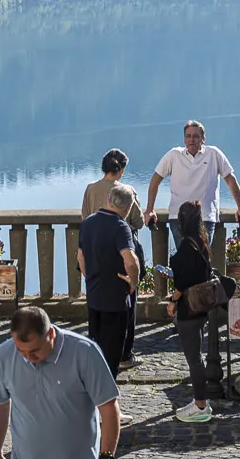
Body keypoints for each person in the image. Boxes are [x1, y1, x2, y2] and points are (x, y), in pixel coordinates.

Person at [0, 304, 122, 459]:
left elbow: (109, 408)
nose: (28, 358)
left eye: (35, 350)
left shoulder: (84, 352)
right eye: (21, 351)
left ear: (51, 334)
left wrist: (106, 456)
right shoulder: (5, 354)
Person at [81, 148, 146, 369]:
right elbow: (138, 222)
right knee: (127, 306)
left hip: (94, 253)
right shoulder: (126, 192)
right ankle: (124, 355)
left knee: (96, 309)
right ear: (122, 169)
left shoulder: (90, 189)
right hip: (119, 253)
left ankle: (97, 357)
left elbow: (85, 217)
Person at [77, 183, 140, 404]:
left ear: (108, 200)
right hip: (115, 299)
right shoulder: (120, 227)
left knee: (96, 351)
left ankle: (94, 401)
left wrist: (90, 278)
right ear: (128, 208)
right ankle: (108, 409)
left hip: (94, 297)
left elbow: (80, 258)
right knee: (112, 357)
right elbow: (130, 261)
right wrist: (133, 282)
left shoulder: (88, 223)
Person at [143, 120, 240, 245]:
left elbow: (231, 180)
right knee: (184, 255)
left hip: (205, 217)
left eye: (195, 136)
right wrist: (149, 209)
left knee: (202, 255)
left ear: (203, 139)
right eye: (188, 136)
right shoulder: (173, 155)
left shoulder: (214, 154)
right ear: (184, 139)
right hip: (178, 218)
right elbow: (155, 181)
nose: (191, 140)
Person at [168, 200, 217, 423]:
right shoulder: (202, 243)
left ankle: (200, 405)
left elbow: (182, 283)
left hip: (188, 309)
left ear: (181, 222)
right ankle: (200, 401)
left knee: (194, 359)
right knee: (197, 356)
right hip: (201, 307)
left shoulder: (185, 248)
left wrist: (172, 301)